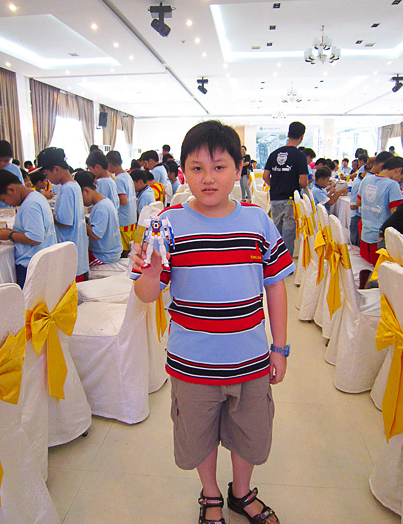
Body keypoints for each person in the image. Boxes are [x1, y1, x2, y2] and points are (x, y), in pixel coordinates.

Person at [131, 120, 294, 524]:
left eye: (219, 167)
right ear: (183, 172)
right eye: (197, 168)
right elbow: (146, 295)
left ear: (238, 170)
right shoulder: (168, 223)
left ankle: (241, 492)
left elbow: (275, 286)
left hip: (250, 359)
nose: (208, 178)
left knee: (249, 433)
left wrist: (279, 348)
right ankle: (210, 495)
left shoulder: (257, 221)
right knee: (198, 434)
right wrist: (151, 272)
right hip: (192, 362)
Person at [0, 169, 57, 288]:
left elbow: (35, 238)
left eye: (3, 200)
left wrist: (9, 235)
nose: (6, 204)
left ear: (11, 190)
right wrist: (14, 232)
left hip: (31, 266)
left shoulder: (29, 205)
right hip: (42, 263)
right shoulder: (36, 197)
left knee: (28, 299)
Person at [37, 147, 89, 281]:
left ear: (56, 169)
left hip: (69, 255)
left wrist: (49, 215)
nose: (48, 180)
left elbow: (65, 222)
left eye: (47, 175)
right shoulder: (74, 185)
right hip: (77, 253)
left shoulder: (67, 189)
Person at [263, 121, 308, 256]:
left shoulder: (274, 154)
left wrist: (276, 185)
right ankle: (286, 262)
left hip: (275, 197)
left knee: (276, 231)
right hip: (290, 199)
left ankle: (274, 260)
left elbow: (265, 176)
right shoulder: (300, 156)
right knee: (288, 234)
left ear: (288, 134)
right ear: (302, 137)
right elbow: (304, 182)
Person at [357, 156, 403, 264]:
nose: (399, 181)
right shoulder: (392, 185)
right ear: (398, 170)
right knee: (380, 270)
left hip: (365, 234)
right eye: (401, 177)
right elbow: (395, 214)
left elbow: (358, 203)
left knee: (366, 266)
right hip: (381, 238)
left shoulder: (366, 180)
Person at [74, 171, 122, 266]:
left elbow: (96, 234)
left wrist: (79, 221)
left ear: (86, 191)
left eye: (80, 197)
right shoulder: (104, 202)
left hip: (104, 256)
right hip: (110, 252)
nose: (80, 202)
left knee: (77, 264)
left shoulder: (101, 208)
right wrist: (85, 219)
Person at [106, 149, 137, 257]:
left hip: (123, 221)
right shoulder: (127, 176)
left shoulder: (118, 179)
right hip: (131, 218)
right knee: (130, 247)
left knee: (124, 250)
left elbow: (123, 201)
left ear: (110, 164)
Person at [0, 140, 24, 208]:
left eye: (6, 161)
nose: (2, 164)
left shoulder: (14, 169)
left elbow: (21, 189)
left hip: (11, 209)